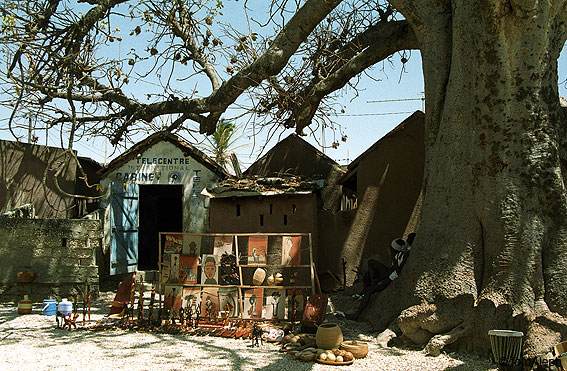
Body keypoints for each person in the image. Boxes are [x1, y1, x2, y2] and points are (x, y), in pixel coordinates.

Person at [346, 234, 414, 321]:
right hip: (390, 275)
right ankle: (371, 284)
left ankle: (356, 315)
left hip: (391, 279)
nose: (406, 240)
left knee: (369, 290)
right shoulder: (404, 251)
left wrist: (393, 257)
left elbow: (398, 271)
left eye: (408, 239)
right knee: (369, 274)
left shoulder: (407, 253)